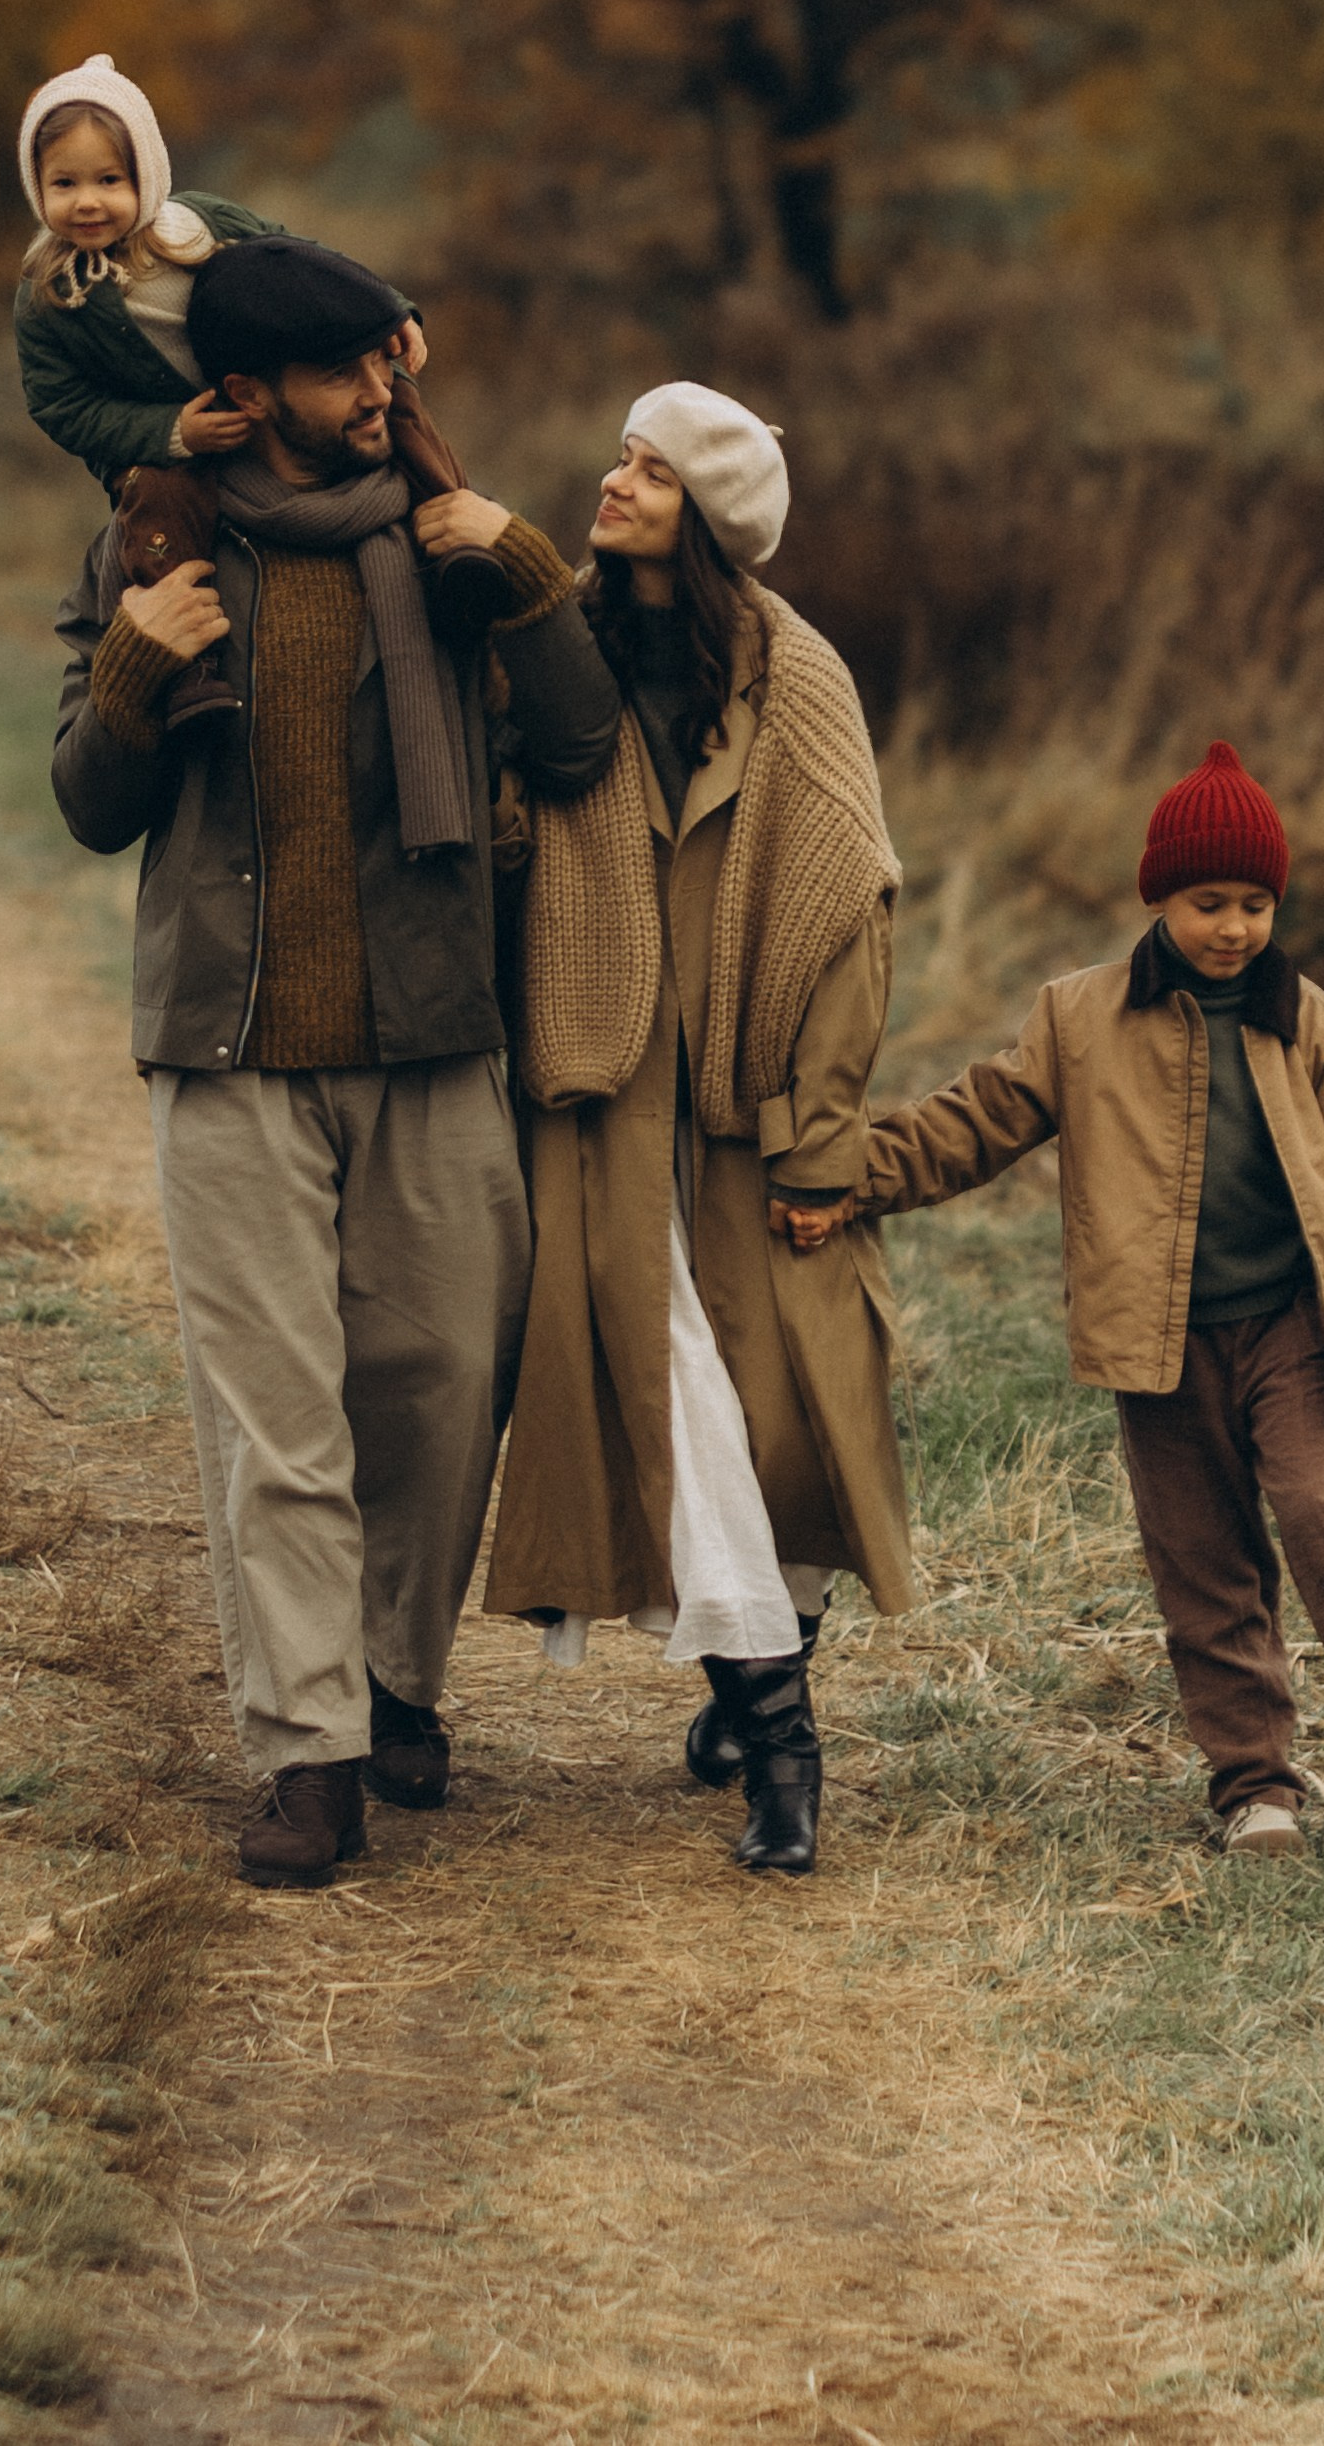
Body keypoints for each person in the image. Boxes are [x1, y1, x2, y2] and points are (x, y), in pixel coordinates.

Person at [50, 234, 621, 1889]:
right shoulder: (155, 544)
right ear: (246, 393)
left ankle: (394, 1677)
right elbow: (92, 808)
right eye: (345, 370)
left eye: (390, 364)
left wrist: (523, 574)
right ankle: (309, 1752)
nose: (382, 392)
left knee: (443, 1385)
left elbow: (578, 746)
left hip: (431, 1035)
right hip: (227, 1054)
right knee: (275, 1419)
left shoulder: (452, 540)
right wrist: (140, 664)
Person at [788, 742, 1324, 1859]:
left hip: (1286, 1329)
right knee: (1198, 1556)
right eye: (1206, 901)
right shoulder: (1077, 1019)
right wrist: (851, 1177)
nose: (1232, 926)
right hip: (1157, 1341)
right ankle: (1253, 1785)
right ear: (1157, 896)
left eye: (1254, 903)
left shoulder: (1312, 1025)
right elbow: (972, 1121)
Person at [484, 383, 914, 1878]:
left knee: (771, 1412)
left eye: (650, 469)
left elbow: (850, 905)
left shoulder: (795, 677)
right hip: (606, 1094)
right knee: (676, 1402)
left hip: (745, 1103)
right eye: (618, 454)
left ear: (711, 514)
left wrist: (818, 1131)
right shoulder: (561, 649)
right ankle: (785, 1742)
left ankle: (753, 1685)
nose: (615, 481)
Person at [13, 56, 429, 730]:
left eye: (109, 179)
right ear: (37, 189)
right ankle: (190, 673)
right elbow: (60, 406)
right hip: (164, 436)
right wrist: (171, 432)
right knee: (160, 499)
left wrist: (389, 314)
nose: (87, 201)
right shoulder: (49, 297)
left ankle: (451, 520)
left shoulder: (196, 225)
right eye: (64, 183)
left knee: (397, 398)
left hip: (260, 401)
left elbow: (303, 260)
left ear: (145, 175)